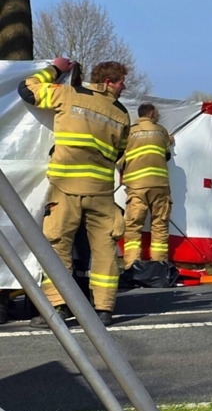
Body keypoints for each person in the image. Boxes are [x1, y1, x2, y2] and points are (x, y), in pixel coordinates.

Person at [19, 58, 131, 327]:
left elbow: (27, 88)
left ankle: (57, 308)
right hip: (102, 192)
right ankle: (104, 309)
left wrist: (55, 68)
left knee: (57, 246)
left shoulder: (68, 94)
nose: (123, 87)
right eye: (120, 82)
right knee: (104, 249)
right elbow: (120, 151)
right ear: (107, 82)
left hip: (66, 186)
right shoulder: (121, 114)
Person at [119, 103, 174, 268]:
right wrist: (170, 140)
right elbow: (167, 155)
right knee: (159, 224)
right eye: (157, 115)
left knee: (133, 226)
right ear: (150, 114)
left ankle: (132, 265)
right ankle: (160, 265)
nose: (158, 118)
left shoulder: (129, 132)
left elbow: (120, 157)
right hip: (160, 185)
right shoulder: (162, 131)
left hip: (136, 186)